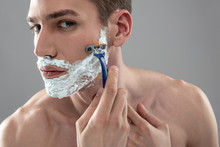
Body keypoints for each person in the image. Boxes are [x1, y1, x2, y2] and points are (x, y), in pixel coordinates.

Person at [0, 0, 218, 146]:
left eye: (66, 23)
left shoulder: (189, 108)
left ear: (119, 29)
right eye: (36, 27)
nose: (41, 50)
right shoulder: (19, 134)